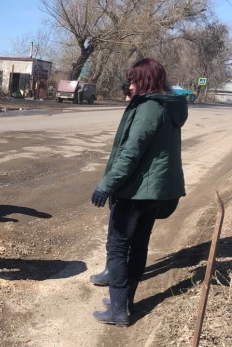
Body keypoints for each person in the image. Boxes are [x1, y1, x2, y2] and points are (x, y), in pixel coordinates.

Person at [90, 58, 187, 326]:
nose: (130, 84)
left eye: (133, 79)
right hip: (154, 192)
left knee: (119, 249)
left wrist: (106, 185)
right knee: (139, 245)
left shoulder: (149, 109)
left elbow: (131, 152)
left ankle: (118, 311)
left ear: (144, 80)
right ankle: (125, 302)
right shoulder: (168, 106)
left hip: (136, 192)